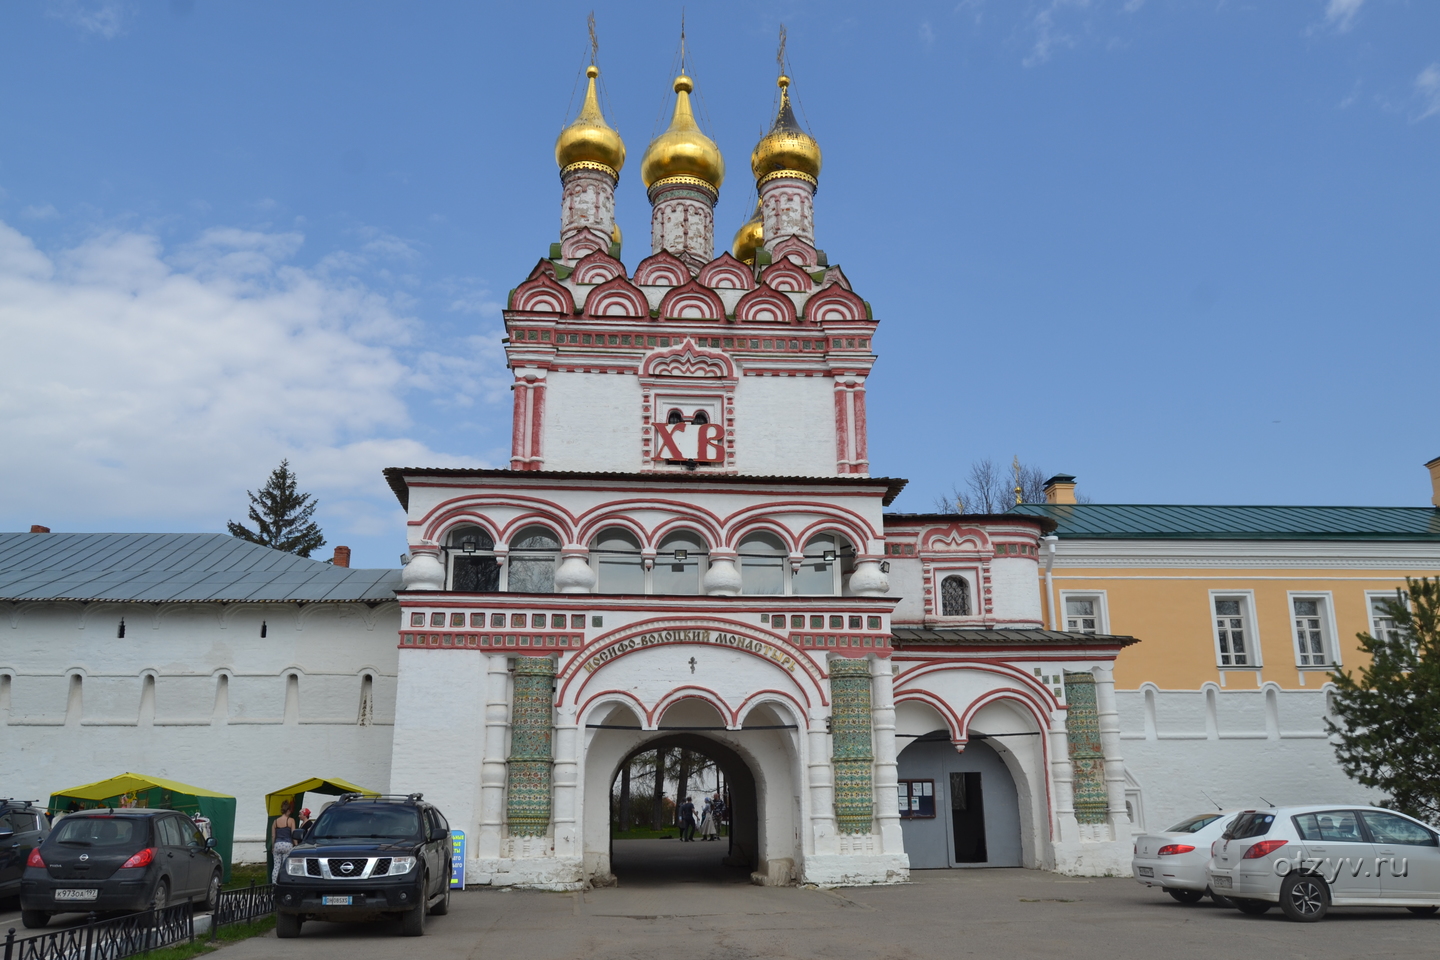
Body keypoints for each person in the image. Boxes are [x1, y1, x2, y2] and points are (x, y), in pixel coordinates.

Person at [271, 799, 297, 882]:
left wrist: (273, 847)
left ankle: (274, 884)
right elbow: (294, 834)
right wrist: (296, 845)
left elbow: (273, 835)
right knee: (285, 866)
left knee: (276, 866)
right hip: (287, 844)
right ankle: (283, 882)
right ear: (288, 810)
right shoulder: (291, 820)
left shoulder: (275, 821)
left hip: (277, 844)